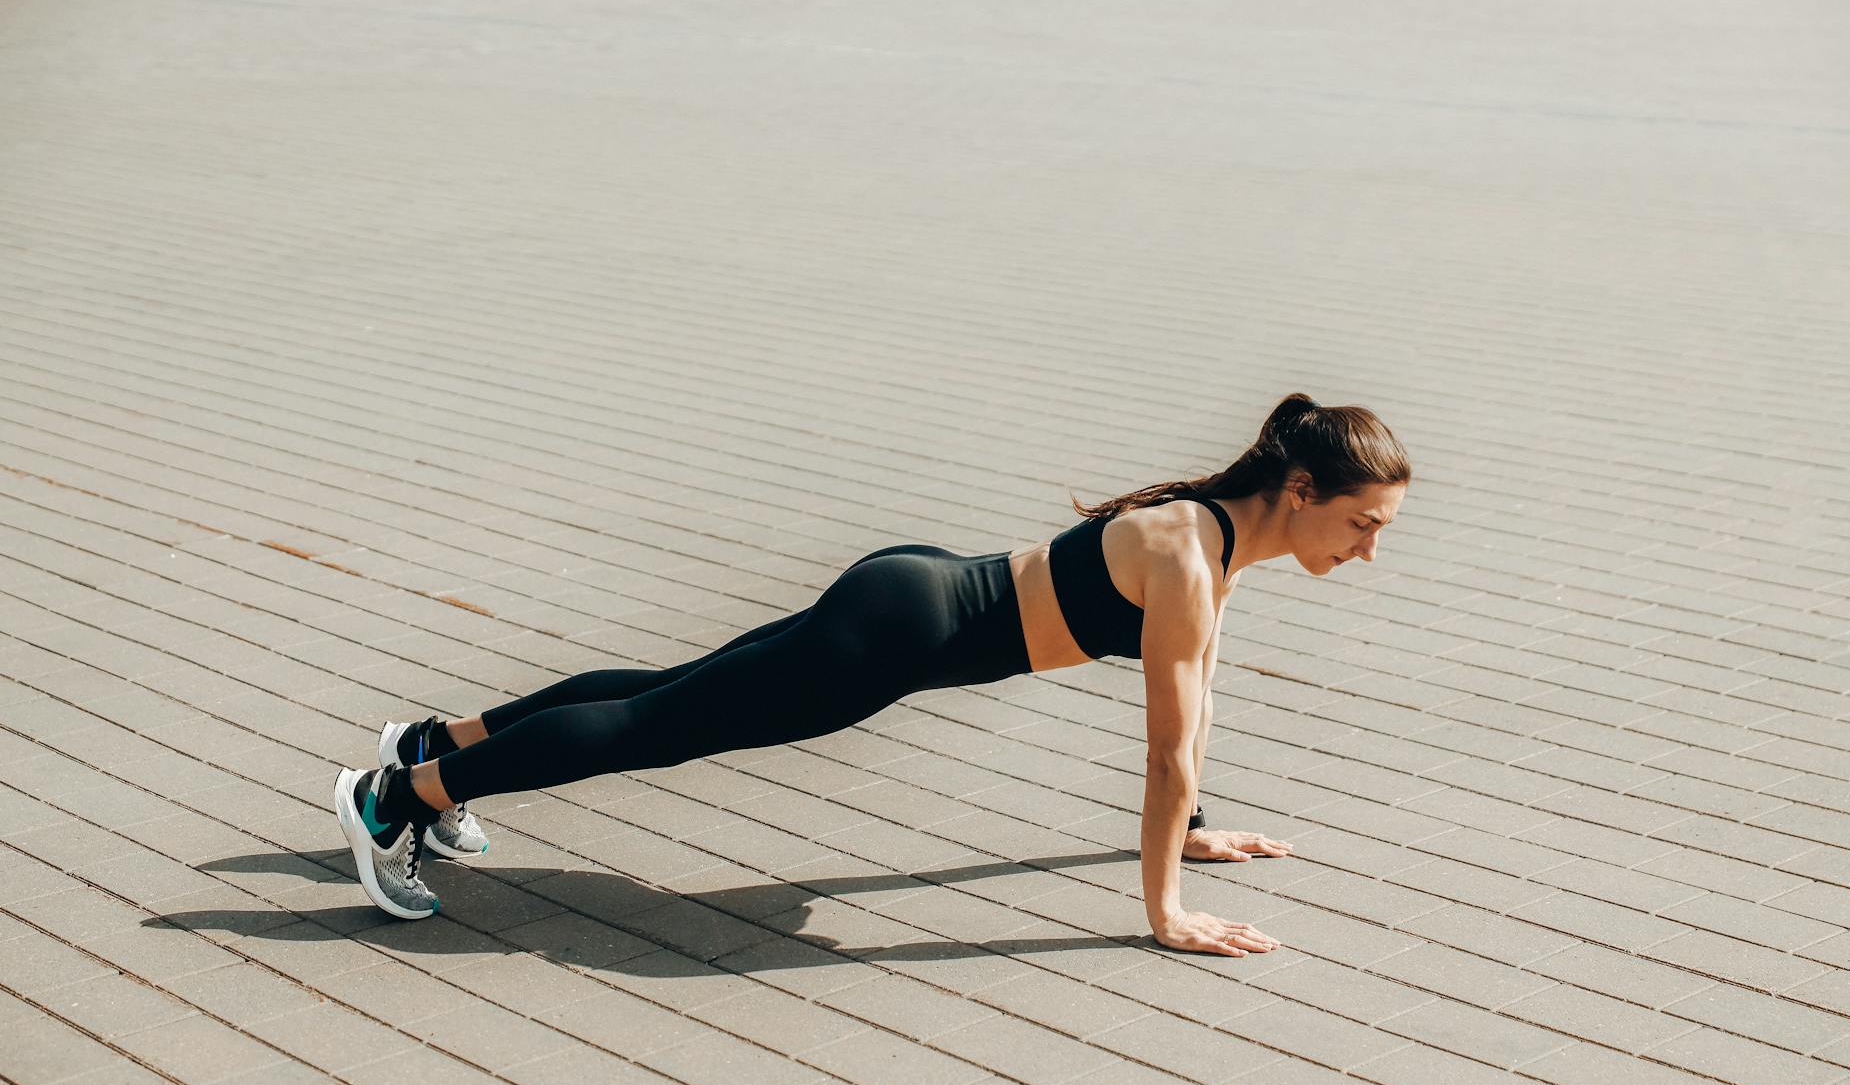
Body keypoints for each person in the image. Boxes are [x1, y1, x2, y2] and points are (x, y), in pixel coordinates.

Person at [332, 393, 1410, 956]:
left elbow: (1194, 722)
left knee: (669, 688)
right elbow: (1169, 745)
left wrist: (1190, 828)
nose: (1368, 551)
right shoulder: (1187, 555)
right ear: (1303, 488)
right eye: (1361, 524)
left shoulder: (1211, 543)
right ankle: (396, 798)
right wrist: (1164, 907)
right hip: (891, 638)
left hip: (907, 589)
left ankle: (437, 742)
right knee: (657, 725)